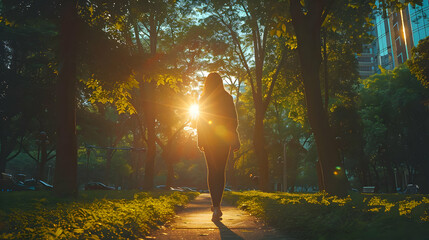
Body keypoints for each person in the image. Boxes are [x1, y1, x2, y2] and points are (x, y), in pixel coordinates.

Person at [197, 72, 240, 221]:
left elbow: (199, 121)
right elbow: (233, 121)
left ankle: (215, 206)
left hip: (209, 140)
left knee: (212, 171)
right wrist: (233, 138)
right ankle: (217, 206)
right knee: (220, 171)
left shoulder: (203, 98)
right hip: (223, 140)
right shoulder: (227, 98)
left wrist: (200, 139)